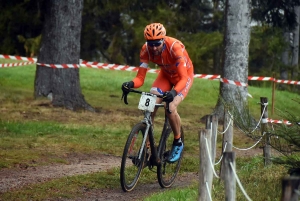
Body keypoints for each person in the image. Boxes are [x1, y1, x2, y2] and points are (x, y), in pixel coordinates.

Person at [121, 23, 194, 163]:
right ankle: (146, 149)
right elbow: (140, 78)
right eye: (150, 44)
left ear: (163, 39)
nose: (154, 48)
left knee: (170, 107)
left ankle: (178, 142)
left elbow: (184, 78)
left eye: (157, 44)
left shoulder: (175, 48)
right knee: (150, 105)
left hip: (183, 78)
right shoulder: (145, 50)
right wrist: (130, 84)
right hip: (165, 76)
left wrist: (174, 92)